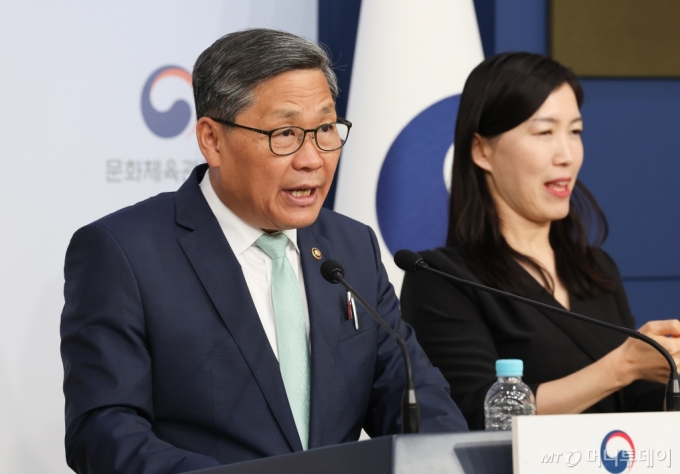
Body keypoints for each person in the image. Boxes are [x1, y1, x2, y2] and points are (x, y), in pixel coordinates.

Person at [60, 29, 467, 474]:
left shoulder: (351, 247)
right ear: (212, 140)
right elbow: (103, 431)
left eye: (325, 129)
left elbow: (412, 395)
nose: (312, 158)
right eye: (285, 133)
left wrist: (447, 459)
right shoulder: (125, 252)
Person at [400, 52, 680, 430]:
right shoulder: (441, 278)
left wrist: (666, 374)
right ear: (482, 150)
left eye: (575, 132)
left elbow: (635, 403)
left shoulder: (595, 269)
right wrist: (623, 366)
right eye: (544, 132)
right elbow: (472, 415)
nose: (566, 155)